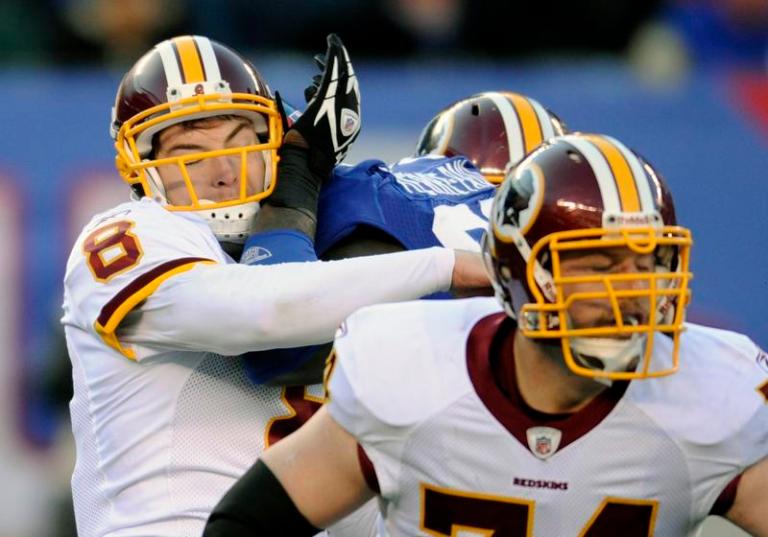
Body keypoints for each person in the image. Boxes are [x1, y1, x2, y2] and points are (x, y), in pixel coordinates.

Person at [204, 133, 768, 537]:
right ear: (513, 273)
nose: (631, 290)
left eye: (649, 264)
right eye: (597, 264)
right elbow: (244, 524)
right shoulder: (409, 368)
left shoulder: (716, 392)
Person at [61, 33, 490, 537]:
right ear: (140, 167)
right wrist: (447, 267)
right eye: (190, 154)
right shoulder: (130, 238)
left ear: (275, 144)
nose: (223, 172)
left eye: (239, 143)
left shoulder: (316, 250)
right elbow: (263, 313)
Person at [244, 90, 566, 386]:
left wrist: (297, 175)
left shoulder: (385, 184)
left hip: (393, 303)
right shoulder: (559, 216)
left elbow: (275, 344)